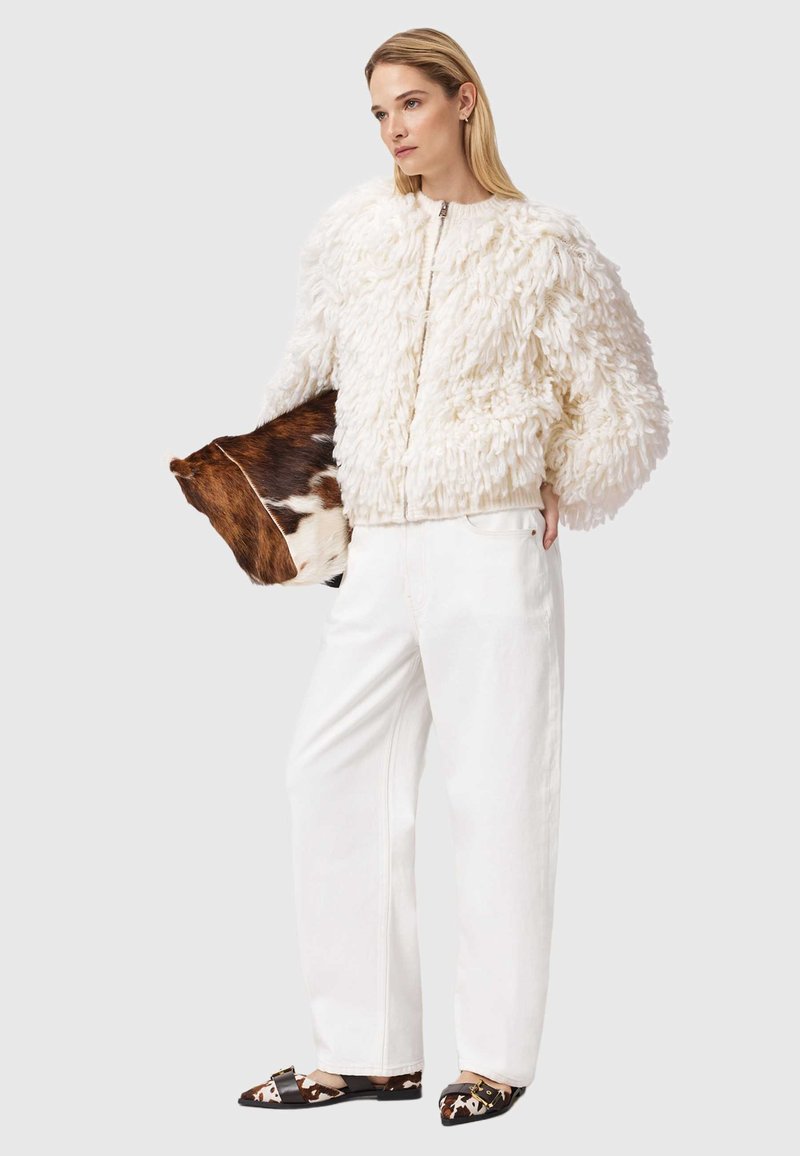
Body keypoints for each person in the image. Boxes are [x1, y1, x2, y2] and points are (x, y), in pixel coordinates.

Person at [238, 27, 671, 1126]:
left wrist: (563, 483)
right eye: (378, 112)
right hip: (384, 543)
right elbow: (310, 373)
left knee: (496, 789)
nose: (393, 129)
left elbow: (625, 400)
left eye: (411, 104)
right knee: (327, 769)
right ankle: (363, 1051)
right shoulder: (354, 233)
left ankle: (494, 1058)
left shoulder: (543, 245)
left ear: (464, 100)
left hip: (486, 537)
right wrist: (263, 480)